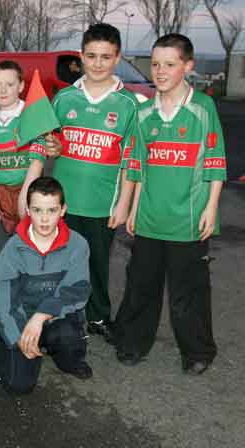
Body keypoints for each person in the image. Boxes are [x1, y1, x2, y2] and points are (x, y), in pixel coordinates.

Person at [113, 34, 226, 375]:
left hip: (188, 218)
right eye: (157, 64)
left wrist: (210, 208)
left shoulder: (202, 108)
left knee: (188, 291)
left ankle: (197, 352)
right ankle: (131, 343)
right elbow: (134, 163)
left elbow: (215, 162)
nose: (161, 71)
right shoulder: (144, 111)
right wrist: (130, 208)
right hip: (148, 217)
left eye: (170, 64)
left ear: (188, 66)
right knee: (141, 285)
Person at [50, 23, 143, 341]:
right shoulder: (64, 98)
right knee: (60, 260)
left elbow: (132, 160)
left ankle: (98, 316)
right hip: (62, 202)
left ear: (117, 58)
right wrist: (54, 146)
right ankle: (60, 315)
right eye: (91, 56)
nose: (98, 63)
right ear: (80, 57)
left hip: (102, 203)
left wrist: (124, 203)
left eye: (106, 56)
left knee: (97, 263)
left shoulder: (128, 104)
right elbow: (50, 141)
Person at [0, 177, 92, 395]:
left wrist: (42, 315)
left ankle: (65, 356)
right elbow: (1, 298)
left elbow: (78, 290)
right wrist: (19, 337)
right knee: (19, 386)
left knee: (68, 340)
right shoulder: (14, 248)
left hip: (56, 317)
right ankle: (5, 343)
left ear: (63, 210)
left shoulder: (78, 244)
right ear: (27, 210)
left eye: (52, 210)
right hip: (22, 319)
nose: (44, 219)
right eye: (37, 210)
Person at [0, 60, 61, 271]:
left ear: (21, 86)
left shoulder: (31, 118)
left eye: (9, 84)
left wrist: (24, 197)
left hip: (24, 198)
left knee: (27, 260)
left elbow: (36, 162)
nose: (3, 90)